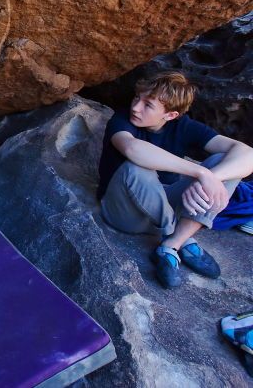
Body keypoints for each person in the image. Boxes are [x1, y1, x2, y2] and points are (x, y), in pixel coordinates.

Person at [97, 70, 253, 289]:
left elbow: (247, 154)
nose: (136, 107)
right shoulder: (121, 119)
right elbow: (132, 149)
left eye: (148, 105)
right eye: (137, 98)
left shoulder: (183, 126)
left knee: (225, 163)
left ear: (170, 115)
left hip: (165, 204)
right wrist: (200, 173)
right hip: (124, 212)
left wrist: (212, 177)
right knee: (136, 166)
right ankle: (181, 236)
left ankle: (172, 245)